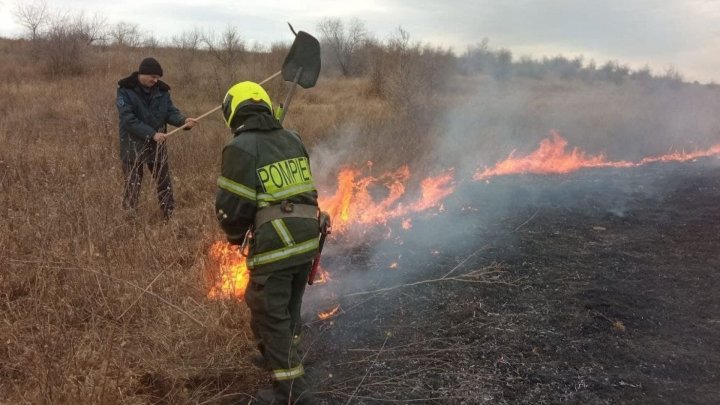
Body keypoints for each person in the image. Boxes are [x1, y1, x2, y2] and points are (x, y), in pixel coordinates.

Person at [215, 81, 320, 404]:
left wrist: (234, 235)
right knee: (287, 308)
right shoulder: (292, 138)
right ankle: (285, 355)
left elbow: (233, 206)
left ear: (233, 112)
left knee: (269, 316)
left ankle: (292, 392)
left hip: (277, 247)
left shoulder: (241, 148)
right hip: (307, 239)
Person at [116, 57, 197, 219]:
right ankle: (129, 219)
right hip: (133, 145)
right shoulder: (125, 90)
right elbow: (128, 119)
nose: (156, 80)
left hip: (157, 146)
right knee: (133, 184)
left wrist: (183, 121)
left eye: (158, 77)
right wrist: (152, 134)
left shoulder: (162, 91)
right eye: (153, 77)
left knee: (164, 182)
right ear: (142, 74)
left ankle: (169, 215)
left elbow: (170, 112)